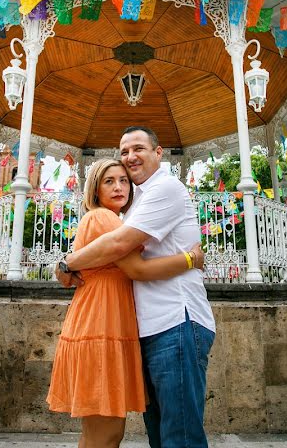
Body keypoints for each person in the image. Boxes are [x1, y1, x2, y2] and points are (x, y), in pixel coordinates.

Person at [56, 127, 216, 448]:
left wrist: (67, 262)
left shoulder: (163, 189)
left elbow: (122, 249)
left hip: (176, 321)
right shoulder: (121, 212)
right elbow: (127, 258)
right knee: (156, 432)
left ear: (158, 153)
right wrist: (189, 258)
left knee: (176, 435)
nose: (130, 157)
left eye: (139, 148)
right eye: (124, 150)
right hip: (144, 327)